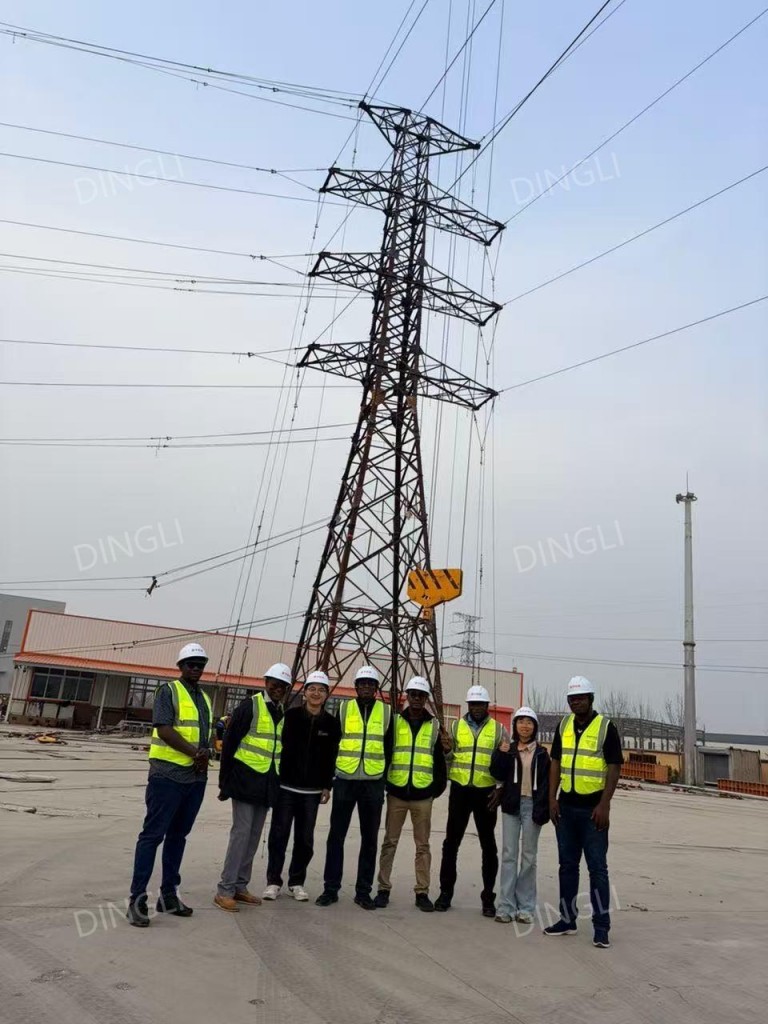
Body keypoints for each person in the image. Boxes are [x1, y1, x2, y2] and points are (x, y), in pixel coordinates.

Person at [126, 643, 213, 928]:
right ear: (180, 666)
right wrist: (196, 754)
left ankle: (168, 896)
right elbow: (163, 729)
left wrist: (205, 754)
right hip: (167, 777)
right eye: (191, 664)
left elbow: (203, 735)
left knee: (178, 837)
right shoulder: (168, 691)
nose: (196, 668)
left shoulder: (204, 698)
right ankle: (137, 900)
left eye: (200, 664)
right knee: (152, 836)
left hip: (195, 779)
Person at [544, 676, 623, 948]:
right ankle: (567, 920)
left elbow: (614, 767)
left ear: (591, 699)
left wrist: (605, 804)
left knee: (597, 869)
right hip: (566, 808)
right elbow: (555, 762)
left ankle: (601, 927)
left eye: (581, 698)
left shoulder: (605, 728)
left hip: (593, 811)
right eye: (572, 699)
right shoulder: (563, 725)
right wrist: (552, 799)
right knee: (567, 867)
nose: (576, 702)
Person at [214, 663, 291, 912]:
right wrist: (224, 782)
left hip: (266, 785)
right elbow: (229, 743)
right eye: (275, 684)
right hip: (245, 782)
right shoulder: (250, 706)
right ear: (266, 682)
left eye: (283, 686)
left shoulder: (281, 711)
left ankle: (240, 885)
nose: (278, 689)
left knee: (254, 836)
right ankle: (225, 889)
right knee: (241, 835)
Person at [316, 665, 393, 910]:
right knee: (336, 836)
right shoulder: (343, 709)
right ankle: (330, 889)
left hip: (373, 782)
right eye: (362, 683)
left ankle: (363, 891)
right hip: (345, 780)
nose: (366, 687)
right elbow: (332, 746)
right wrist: (328, 781)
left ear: (376, 688)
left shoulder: (387, 712)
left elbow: (390, 747)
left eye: (371, 684)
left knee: (369, 839)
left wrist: (384, 779)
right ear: (356, 687)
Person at [263, 670, 341, 901]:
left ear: (326, 695)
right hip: (286, 787)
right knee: (279, 835)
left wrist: (327, 785)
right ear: (304, 692)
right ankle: (273, 881)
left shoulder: (331, 723)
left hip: (312, 792)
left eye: (321, 690)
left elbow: (331, 756)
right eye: (312, 689)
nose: (316, 693)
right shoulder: (290, 716)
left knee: (305, 839)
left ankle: (297, 882)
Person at [373, 676, 447, 912]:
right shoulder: (394, 722)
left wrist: (435, 790)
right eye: (413, 695)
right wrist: (386, 783)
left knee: (422, 846)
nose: (416, 699)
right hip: (397, 793)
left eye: (421, 696)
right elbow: (386, 752)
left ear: (425, 699)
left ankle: (422, 892)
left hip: (423, 796)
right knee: (389, 842)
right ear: (407, 696)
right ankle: (383, 889)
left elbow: (440, 761)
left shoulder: (434, 725)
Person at [435, 685, 508, 917]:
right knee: (451, 844)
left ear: (487, 706)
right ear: (468, 705)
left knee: (489, 846)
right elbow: (449, 758)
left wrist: (501, 789)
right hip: (460, 792)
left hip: (486, 794)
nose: (477, 708)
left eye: (481, 704)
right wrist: (447, 751)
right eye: (473, 704)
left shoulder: (499, 730)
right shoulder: (456, 727)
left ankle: (488, 898)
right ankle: (445, 893)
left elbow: (506, 763)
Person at [490, 706, 550, 924]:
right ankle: (506, 906)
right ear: (515, 726)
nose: (525, 726)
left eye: (529, 722)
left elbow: (546, 783)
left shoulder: (542, 754)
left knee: (529, 857)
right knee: (509, 855)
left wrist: (542, 809)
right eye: (521, 721)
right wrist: (501, 753)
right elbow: (496, 773)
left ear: (535, 727)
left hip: (532, 806)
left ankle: (525, 908)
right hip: (511, 806)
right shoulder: (510, 749)